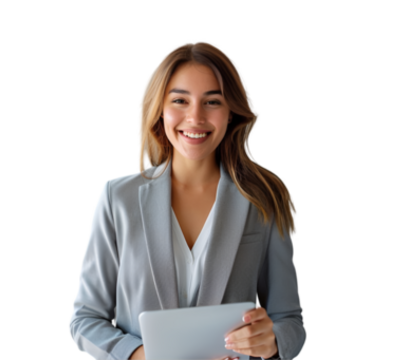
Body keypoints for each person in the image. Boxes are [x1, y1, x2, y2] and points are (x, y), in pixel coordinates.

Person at [68, 39, 304, 360]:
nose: (195, 117)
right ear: (160, 109)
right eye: (180, 100)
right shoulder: (117, 198)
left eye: (212, 102)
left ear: (231, 112)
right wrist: (145, 356)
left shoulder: (266, 198)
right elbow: (85, 320)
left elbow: (290, 322)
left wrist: (272, 340)